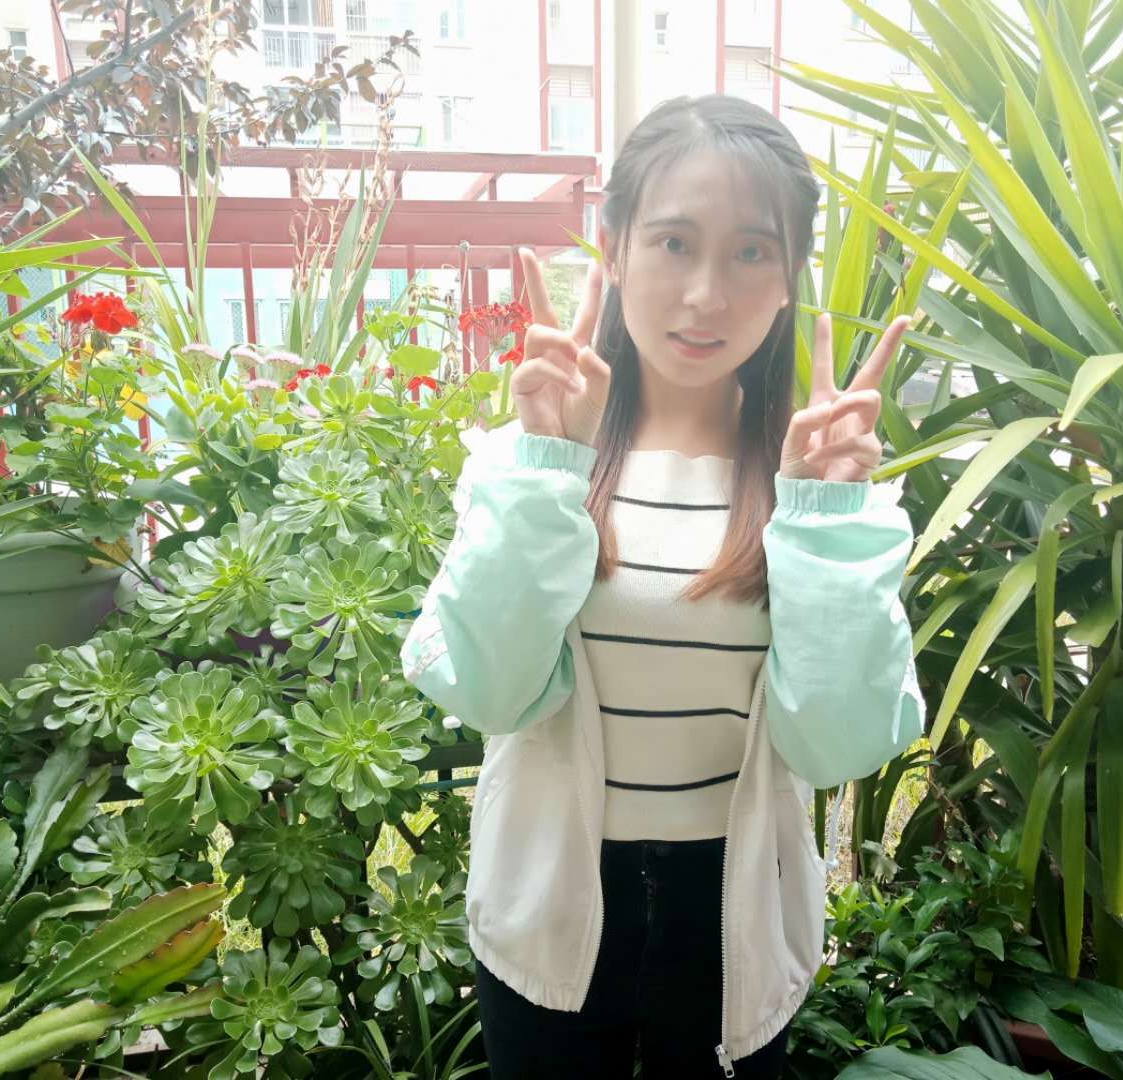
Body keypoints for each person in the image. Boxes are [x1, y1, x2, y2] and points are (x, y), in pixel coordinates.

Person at [401, 93, 923, 1079]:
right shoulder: (529, 460)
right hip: (550, 905)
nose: (706, 295)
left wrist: (824, 519)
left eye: (752, 252)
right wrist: (548, 468)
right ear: (614, 247)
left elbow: (839, 744)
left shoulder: (816, 486)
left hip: (732, 919)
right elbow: (485, 691)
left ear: (789, 278)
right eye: (675, 243)